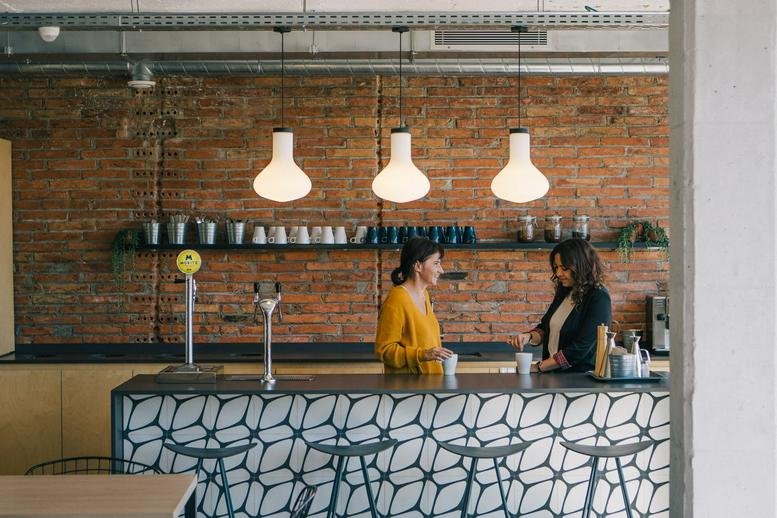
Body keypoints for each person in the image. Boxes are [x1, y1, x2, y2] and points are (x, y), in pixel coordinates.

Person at [508, 238, 611, 373]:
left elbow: (580, 348)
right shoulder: (565, 291)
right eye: (556, 267)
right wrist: (528, 337)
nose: (558, 274)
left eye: (564, 268)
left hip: (578, 380)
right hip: (553, 375)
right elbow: (545, 328)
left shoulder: (598, 297)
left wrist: (539, 367)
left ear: (581, 266)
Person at [375, 236, 454, 374]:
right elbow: (384, 350)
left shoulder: (424, 295)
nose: (441, 270)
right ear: (418, 266)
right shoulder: (397, 300)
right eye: (436, 263)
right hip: (408, 390)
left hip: (429, 387)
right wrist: (422, 355)